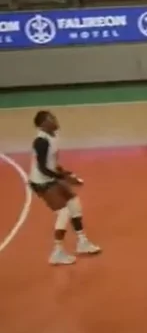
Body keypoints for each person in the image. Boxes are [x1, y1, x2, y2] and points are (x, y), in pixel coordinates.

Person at [29, 111, 102, 266]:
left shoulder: (54, 136)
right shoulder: (41, 142)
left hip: (51, 178)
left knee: (74, 203)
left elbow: (52, 163)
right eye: (51, 119)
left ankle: (82, 242)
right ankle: (57, 253)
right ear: (43, 124)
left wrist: (65, 173)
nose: (55, 120)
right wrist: (64, 178)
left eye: (54, 117)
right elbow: (42, 168)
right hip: (41, 182)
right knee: (63, 213)